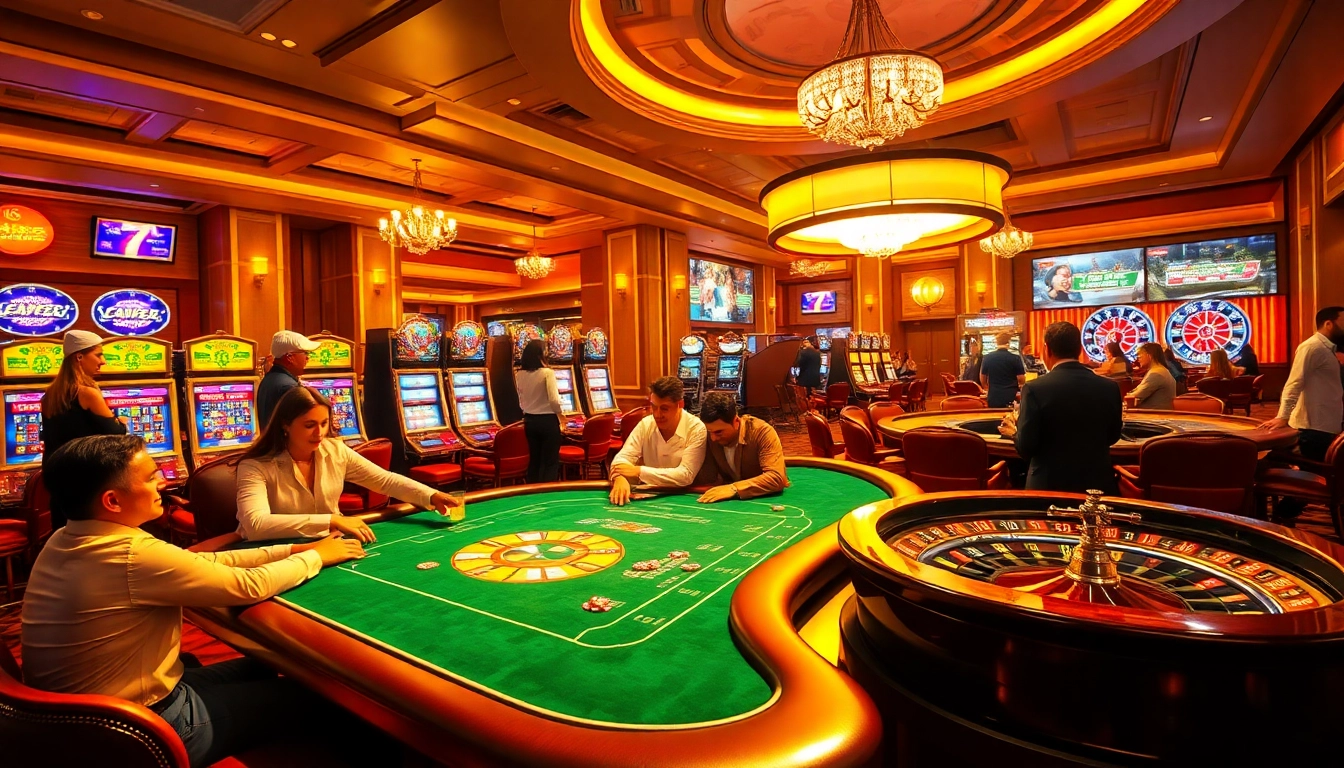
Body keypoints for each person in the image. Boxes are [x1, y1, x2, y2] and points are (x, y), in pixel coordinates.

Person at [21, 434, 366, 767]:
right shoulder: (129, 554)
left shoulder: (67, 538)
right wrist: (317, 558)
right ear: (112, 501)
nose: (164, 484)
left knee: (268, 665)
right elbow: (247, 586)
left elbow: (201, 562)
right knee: (324, 697)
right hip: (137, 729)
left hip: (81, 721)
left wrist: (294, 548)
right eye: (151, 477)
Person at [236, 386, 459, 542]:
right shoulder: (254, 466)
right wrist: (332, 520)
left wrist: (430, 495)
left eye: (324, 423)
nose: (319, 433)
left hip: (329, 544)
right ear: (285, 425)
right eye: (309, 425)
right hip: (275, 552)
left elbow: (384, 480)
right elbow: (257, 525)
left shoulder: (335, 450)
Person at [999, 321, 1123, 493]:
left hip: (1047, 488)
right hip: (1097, 487)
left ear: (1047, 349)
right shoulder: (1109, 387)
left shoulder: (1034, 389)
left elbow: (1026, 447)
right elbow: (1113, 436)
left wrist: (1014, 431)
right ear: (1079, 349)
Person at [1260, 306, 1344, 520]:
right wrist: (1282, 416)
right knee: (1313, 479)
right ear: (1328, 323)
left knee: (1316, 478)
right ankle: (1279, 521)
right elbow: (1294, 384)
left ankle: (1281, 520)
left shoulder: (1327, 350)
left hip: (1323, 425)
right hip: (1313, 427)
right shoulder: (1312, 347)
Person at [41, 330, 128, 527]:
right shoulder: (87, 393)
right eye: (98, 354)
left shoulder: (50, 394)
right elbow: (116, 434)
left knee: (65, 533)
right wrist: (121, 421)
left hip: (58, 477)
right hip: (86, 479)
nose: (103, 361)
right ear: (79, 356)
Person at [609, 376, 707, 506]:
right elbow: (622, 459)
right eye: (654, 407)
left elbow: (685, 475)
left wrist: (639, 472)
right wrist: (619, 478)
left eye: (664, 408)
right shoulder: (646, 424)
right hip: (650, 497)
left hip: (686, 499)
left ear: (680, 405)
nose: (657, 414)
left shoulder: (696, 428)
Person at [693, 391, 789, 503]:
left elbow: (776, 478)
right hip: (730, 504)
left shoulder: (762, 432)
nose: (713, 438)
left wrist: (733, 488)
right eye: (710, 432)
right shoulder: (709, 435)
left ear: (736, 421)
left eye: (719, 432)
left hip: (765, 500)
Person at [515, 339, 563, 483]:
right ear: (538, 355)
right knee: (550, 462)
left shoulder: (519, 374)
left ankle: (533, 494)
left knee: (534, 461)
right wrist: (561, 415)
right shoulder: (547, 373)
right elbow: (554, 400)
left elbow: (521, 401)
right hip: (548, 421)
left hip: (529, 421)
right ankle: (548, 495)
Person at [256, 330, 320, 428]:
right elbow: (300, 430)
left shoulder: (268, 379)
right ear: (289, 357)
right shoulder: (289, 388)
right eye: (305, 353)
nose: (307, 358)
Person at [979, 332, 1026, 408]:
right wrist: (1020, 389)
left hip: (993, 396)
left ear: (996, 343)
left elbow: (982, 377)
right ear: (1009, 343)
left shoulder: (987, 357)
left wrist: (987, 389)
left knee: (993, 417)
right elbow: (1021, 378)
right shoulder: (1015, 358)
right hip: (1011, 395)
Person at [1128, 343, 1178, 410]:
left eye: (1140, 356)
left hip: (1153, 417)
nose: (1138, 359)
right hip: (1155, 415)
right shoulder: (1161, 370)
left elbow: (1134, 397)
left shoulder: (1156, 374)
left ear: (1149, 356)